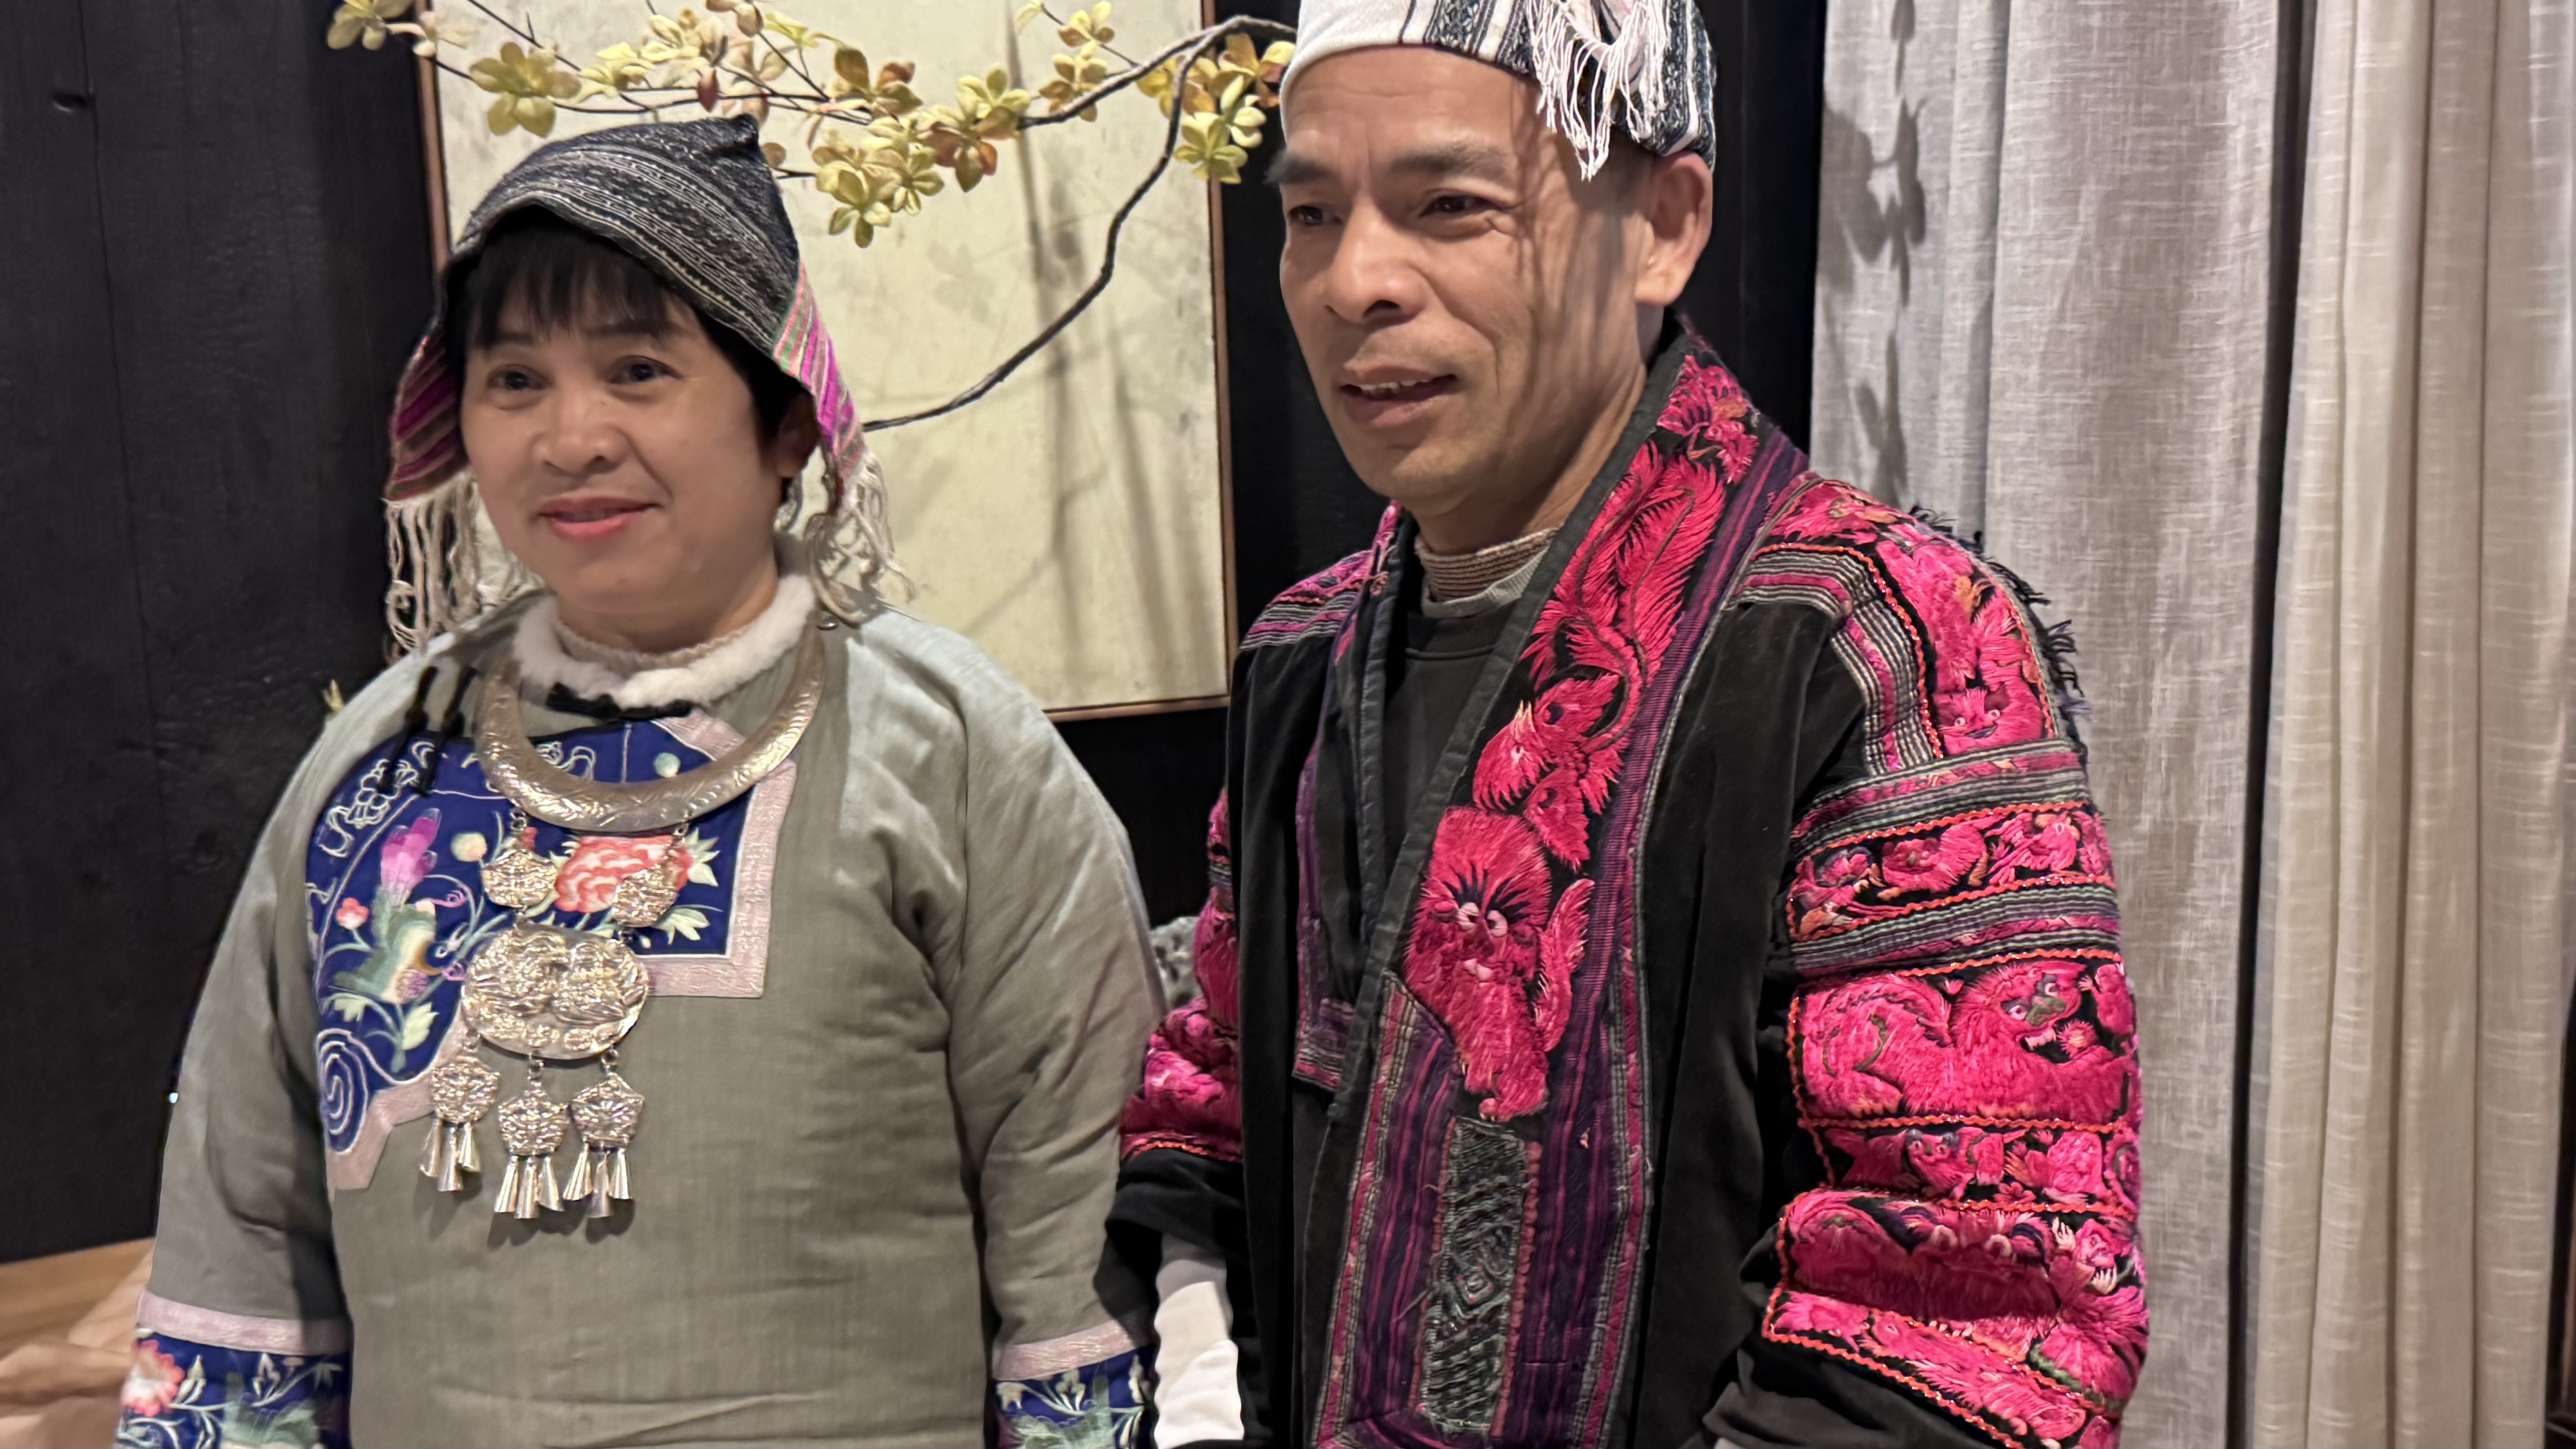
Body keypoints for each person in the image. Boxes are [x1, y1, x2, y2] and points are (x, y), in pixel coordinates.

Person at [1111, 4, 2146, 1447]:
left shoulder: (1880, 642)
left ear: (1662, 226)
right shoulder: (1304, 652)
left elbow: (1978, 1311)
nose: (1355, 282)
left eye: (1449, 206)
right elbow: (1218, 1090)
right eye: (1309, 214)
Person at [120, 117, 1157, 1449]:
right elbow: (243, 1211)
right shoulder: (383, 761)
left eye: (638, 370)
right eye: (515, 379)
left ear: (786, 423)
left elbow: (1078, 1212)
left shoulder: (953, 751)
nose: (571, 438)